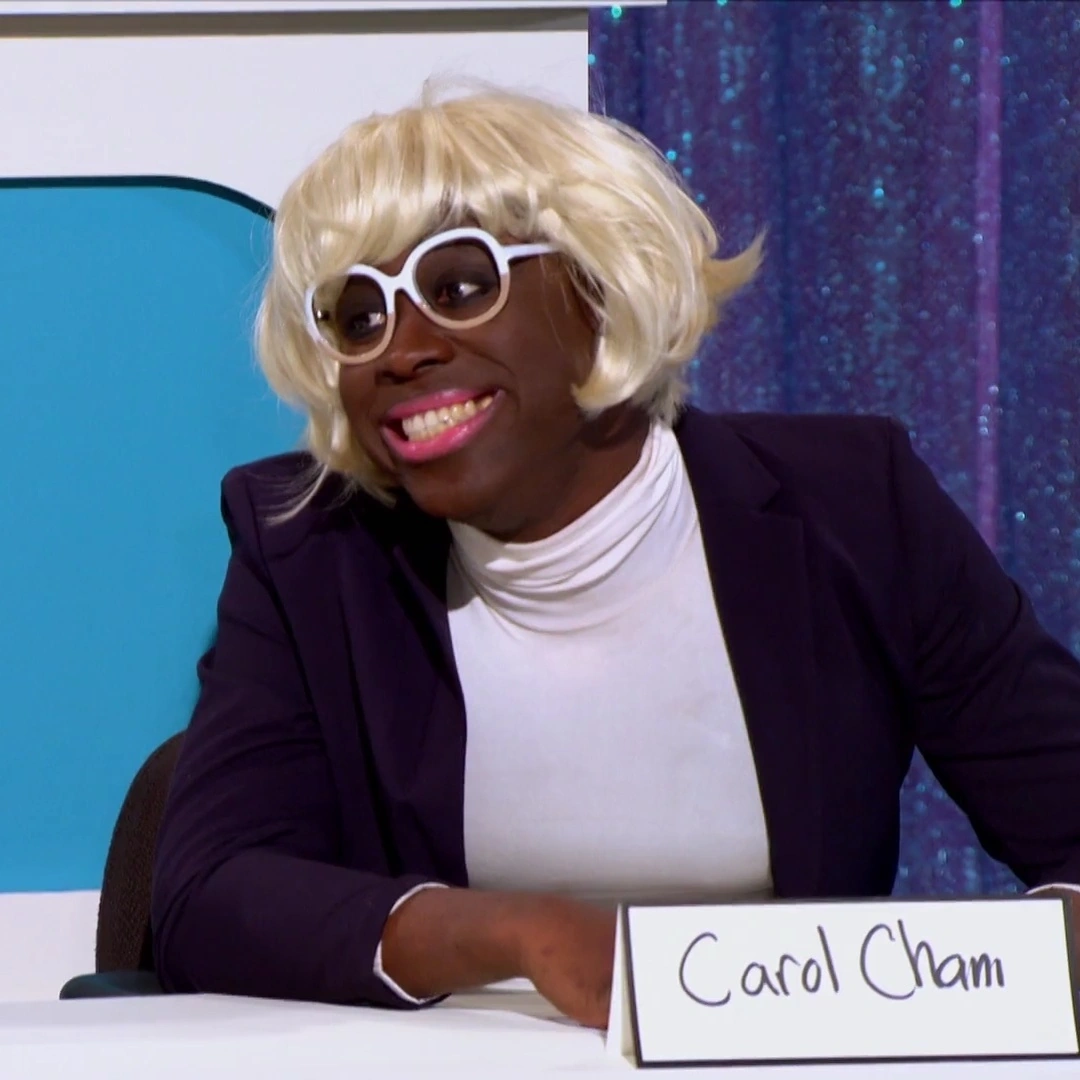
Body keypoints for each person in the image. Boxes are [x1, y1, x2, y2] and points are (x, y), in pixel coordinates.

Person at [150, 86, 1080, 1029]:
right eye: (360, 318)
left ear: (600, 287)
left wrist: (1013, 984)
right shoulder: (313, 548)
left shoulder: (852, 505)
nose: (402, 351)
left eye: (458, 286)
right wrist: (516, 934)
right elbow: (206, 893)